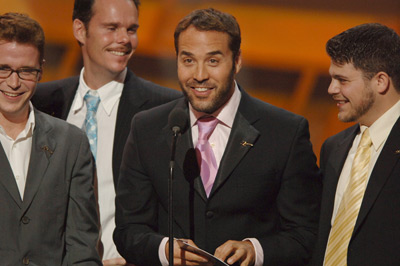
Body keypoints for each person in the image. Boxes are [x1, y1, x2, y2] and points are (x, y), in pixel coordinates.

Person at [114, 8, 321, 266]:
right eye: (188, 60)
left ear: (237, 61)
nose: (199, 75)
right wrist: (164, 249)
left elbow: (305, 234)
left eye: (213, 61)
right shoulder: (147, 128)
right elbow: (128, 230)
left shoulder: (285, 132)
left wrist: (255, 250)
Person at [31, 0, 182, 265]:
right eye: (111, 27)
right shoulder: (40, 103)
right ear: (80, 29)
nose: (124, 39)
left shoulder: (167, 110)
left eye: (131, 29)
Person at [0, 12, 101, 265]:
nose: (13, 82)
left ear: (41, 71)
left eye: (25, 71)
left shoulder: (71, 143)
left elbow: (82, 248)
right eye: (3, 69)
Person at [311, 23, 400, 266]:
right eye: (332, 79)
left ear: (380, 81)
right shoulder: (333, 148)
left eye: (342, 80)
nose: (332, 89)